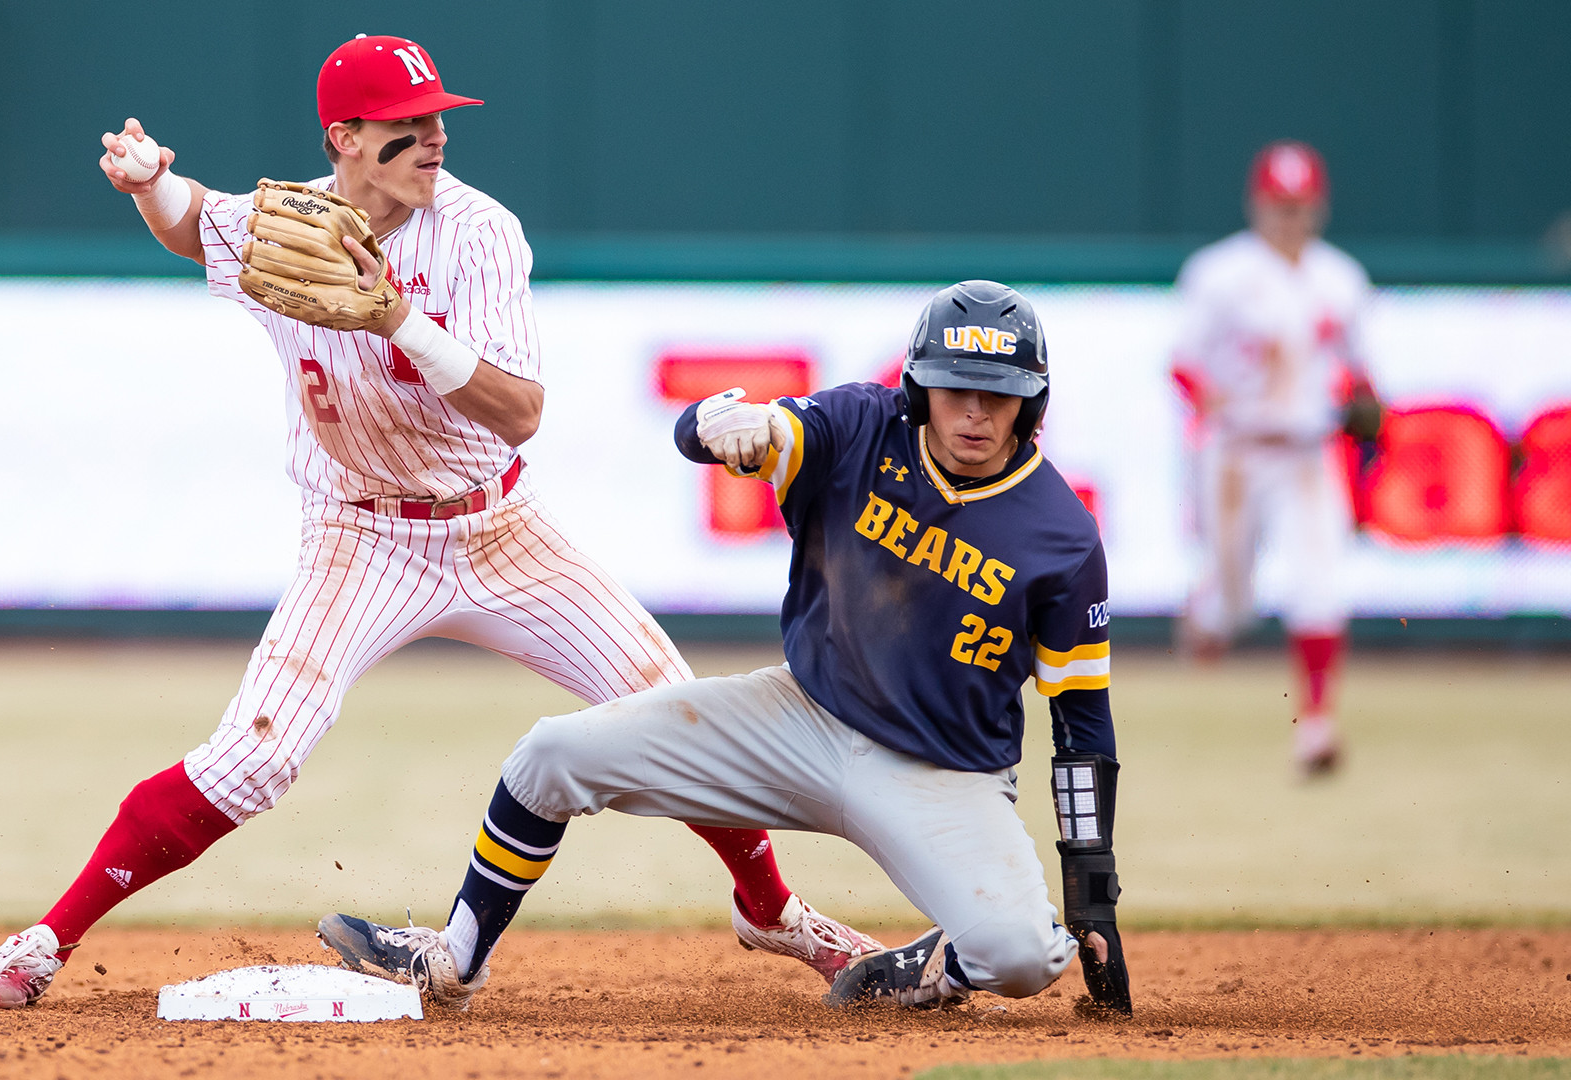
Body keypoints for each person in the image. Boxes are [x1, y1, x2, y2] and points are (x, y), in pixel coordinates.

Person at [0, 33, 873, 1009]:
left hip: (499, 529)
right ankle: (46, 939)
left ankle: (770, 910)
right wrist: (149, 184)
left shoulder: (478, 232)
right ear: (344, 139)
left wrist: (395, 317)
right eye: (406, 127)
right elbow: (195, 225)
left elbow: (520, 412)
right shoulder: (291, 226)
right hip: (358, 536)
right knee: (253, 758)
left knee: (677, 711)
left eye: (437, 119)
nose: (434, 139)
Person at [316, 281, 1132, 1016]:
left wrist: (1092, 898)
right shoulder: (860, 427)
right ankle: (455, 961)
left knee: (1024, 956)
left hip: (943, 774)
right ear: (921, 388)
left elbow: (1082, 726)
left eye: (1001, 396)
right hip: (800, 717)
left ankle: (934, 969)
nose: (976, 415)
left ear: (1034, 404)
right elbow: (737, 431)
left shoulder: (1058, 536)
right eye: (957, 390)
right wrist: (717, 422)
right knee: (548, 756)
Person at [1170, 140, 1381, 777]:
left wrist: (1368, 406)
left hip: (1306, 454)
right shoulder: (1219, 273)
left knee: (1319, 584)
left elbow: (1364, 375)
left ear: (1317, 207)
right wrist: (1212, 400)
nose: (1289, 218)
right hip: (1237, 453)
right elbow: (1180, 363)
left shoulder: (1340, 279)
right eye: (1278, 205)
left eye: (1299, 206)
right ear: (1257, 204)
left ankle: (1316, 724)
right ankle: (1208, 615)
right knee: (1235, 603)